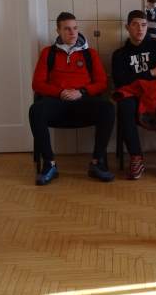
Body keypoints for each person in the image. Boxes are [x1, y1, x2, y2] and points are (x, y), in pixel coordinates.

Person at [29, 12, 115, 185]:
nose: (72, 32)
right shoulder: (48, 53)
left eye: (75, 28)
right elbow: (37, 84)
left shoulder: (90, 54)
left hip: (83, 101)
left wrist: (81, 92)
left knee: (107, 108)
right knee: (35, 110)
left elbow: (102, 83)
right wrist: (60, 92)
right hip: (57, 102)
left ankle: (97, 162)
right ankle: (49, 164)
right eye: (67, 29)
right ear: (58, 31)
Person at [111, 11, 156, 179]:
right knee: (124, 105)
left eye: (143, 25)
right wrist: (151, 73)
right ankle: (136, 157)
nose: (140, 29)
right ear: (127, 27)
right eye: (135, 25)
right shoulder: (120, 55)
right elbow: (121, 82)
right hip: (133, 97)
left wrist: (137, 76)